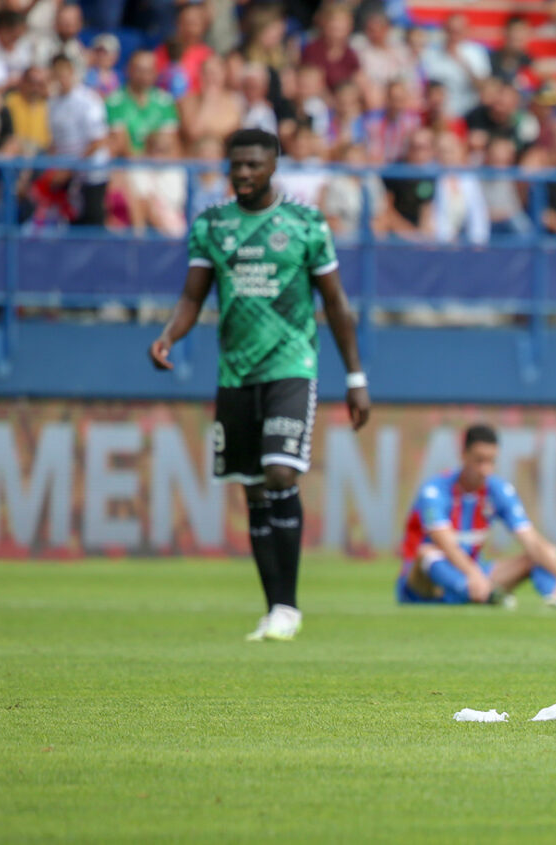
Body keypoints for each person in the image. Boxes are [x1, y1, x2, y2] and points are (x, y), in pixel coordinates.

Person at [148, 128, 371, 642]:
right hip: (236, 373)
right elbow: (192, 298)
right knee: (252, 488)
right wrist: (169, 336)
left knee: (278, 472)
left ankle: (289, 606)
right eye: (236, 165)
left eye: (254, 164)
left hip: (292, 366)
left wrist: (356, 377)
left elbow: (336, 305)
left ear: (274, 166)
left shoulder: (305, 225)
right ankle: (274, 609)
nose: (244, 173)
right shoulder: (212, 226)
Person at [397, 423, 556, 607]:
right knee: (428, 553)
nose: (485, 469)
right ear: (463, 455)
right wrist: (474, 576)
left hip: (476, 576)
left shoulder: (498, 490)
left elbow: (529, 539)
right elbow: (445, 543)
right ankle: (477, 593)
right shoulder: (435, 490)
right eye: (479, 461)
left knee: (547, 553)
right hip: (425, 585)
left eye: (491, 461)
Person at [48, 53, 109, 227]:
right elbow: (56, 141)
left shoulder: (88, 100)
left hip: (91, 176)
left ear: (73, 72)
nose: (61, 78)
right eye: (56, 73)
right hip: (65, 175)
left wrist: (70, 169)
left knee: (91, 226)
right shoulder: (53, 102)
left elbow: (98, 141)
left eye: (64, 72)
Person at [106, 50, 180, 157]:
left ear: (156, 72)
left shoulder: (165, 102)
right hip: (128, 165)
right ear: (128, 70)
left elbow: (170, 142)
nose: (144, 75)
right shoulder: (114, 102)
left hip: (160, 162)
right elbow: (121, 145)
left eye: (148, 70)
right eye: (139, 70)